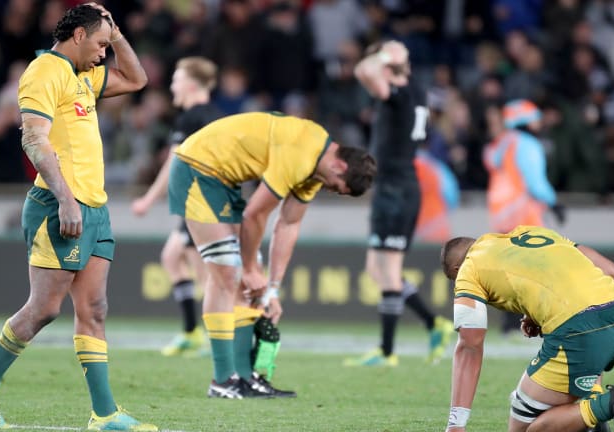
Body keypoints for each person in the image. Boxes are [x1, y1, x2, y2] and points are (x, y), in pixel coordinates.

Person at [0, 4, 156, 430]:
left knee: (95, 308)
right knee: (43, 310)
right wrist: (66, 199)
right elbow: (33, 137)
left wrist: (116, 33)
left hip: (95, 207)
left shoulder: (84, 75)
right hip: (59, 204)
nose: (106, 53)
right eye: (101, 44)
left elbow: (139, 79)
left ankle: (104, 414)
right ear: (79, 36)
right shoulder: (44, 71)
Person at [169, 111, 376, 398]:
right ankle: (222, 380)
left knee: (249, 282)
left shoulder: (317, 168)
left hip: (225, 179)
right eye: (339, 188)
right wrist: (253, 268)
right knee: (229, 272)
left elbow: (288, 224)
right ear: (340, 165)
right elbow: (256, 212)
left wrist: (272, 288)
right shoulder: (300, 152)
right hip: (197, 168)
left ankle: (242, 377)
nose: (334, 191)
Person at [440, 225, 614, 432]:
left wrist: (456, 423)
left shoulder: (469, 268)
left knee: (525, 427)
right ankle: (594, 418)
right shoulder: (530, 232)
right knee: (573, 395)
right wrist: (535, 314)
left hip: (583, 333)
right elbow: (613, 271)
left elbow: (470, 345)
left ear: (456, 271)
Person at [344, 40, 454, 367]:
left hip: (396, 190)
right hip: (396, 189)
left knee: (388, 271)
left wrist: (384, 56)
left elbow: (362, 70)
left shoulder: (400, 94)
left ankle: (388, 351)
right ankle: (434, 324)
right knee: (375, 270)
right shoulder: (417, 92)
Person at [131, 56, 223, 357]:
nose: (172, 84)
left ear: (192, 84)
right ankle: (193, 332)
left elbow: (173, 164)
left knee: (204, 271)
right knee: (174, 257)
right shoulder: (216, 116)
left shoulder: (191, 119)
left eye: (177, 78)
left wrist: (147, 199)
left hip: (201, 202)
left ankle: (218, 336)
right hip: (209, 199)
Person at [483, 98, 566, 335]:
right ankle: (535, 324)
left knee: (510, 274)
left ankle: (510, 326)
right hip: (525, 215)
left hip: (502, 217)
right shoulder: (527, 144)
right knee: (539, 271)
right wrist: (554, 202)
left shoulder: (500, 144)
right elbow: (534, 181)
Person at [413, 148, 460, 243]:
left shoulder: (415, 165)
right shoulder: (435, 165)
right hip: (438, 225)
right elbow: (452, 196)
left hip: (424, 227)